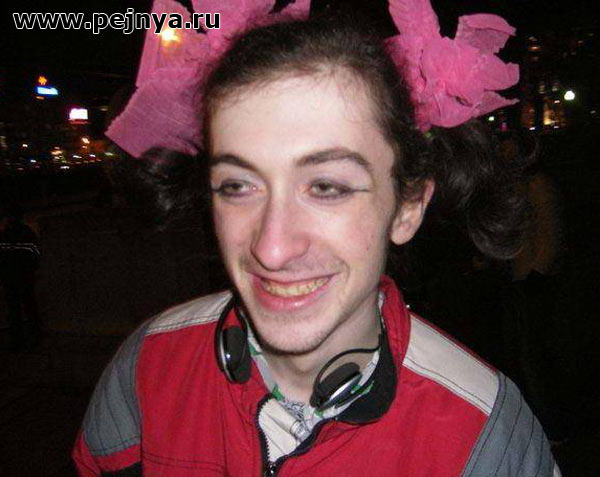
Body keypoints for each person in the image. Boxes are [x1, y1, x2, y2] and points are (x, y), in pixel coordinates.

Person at [73, 1, 560, 475]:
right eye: (238, 186)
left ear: (408, 205)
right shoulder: (146, 368)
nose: (272, 249)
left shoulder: (485, 436)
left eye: (326, 187)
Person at [0, 202, 41, 351]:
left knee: (16, 309)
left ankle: (19, 340)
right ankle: (30, 338)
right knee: (26, 308)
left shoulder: (5, 234)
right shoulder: (25, 233)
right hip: (21, 276)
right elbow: (35, 254)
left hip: (13, 277)